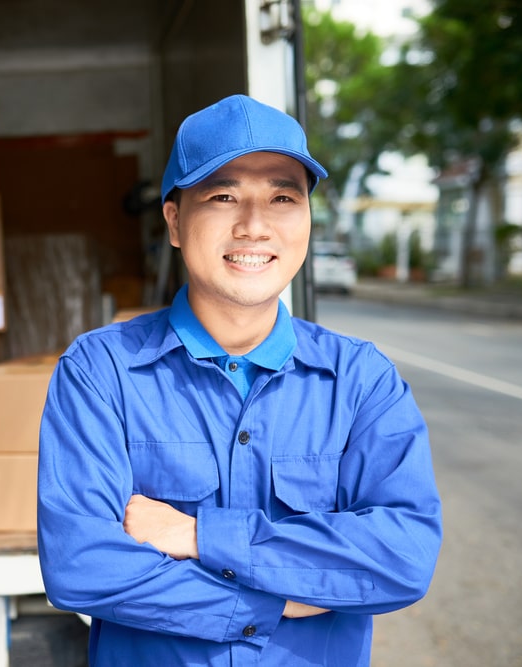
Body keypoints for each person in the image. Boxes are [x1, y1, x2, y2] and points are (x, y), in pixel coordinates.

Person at [36, 94, 442, 666]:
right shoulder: (101, 373)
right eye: (223, 196)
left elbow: (401, 558)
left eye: (282, 197)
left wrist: (200, 537)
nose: (254, 225)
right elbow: (81, 566)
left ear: (305, 219)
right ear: (175, 222)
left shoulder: (360, 381)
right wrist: (273, 603)